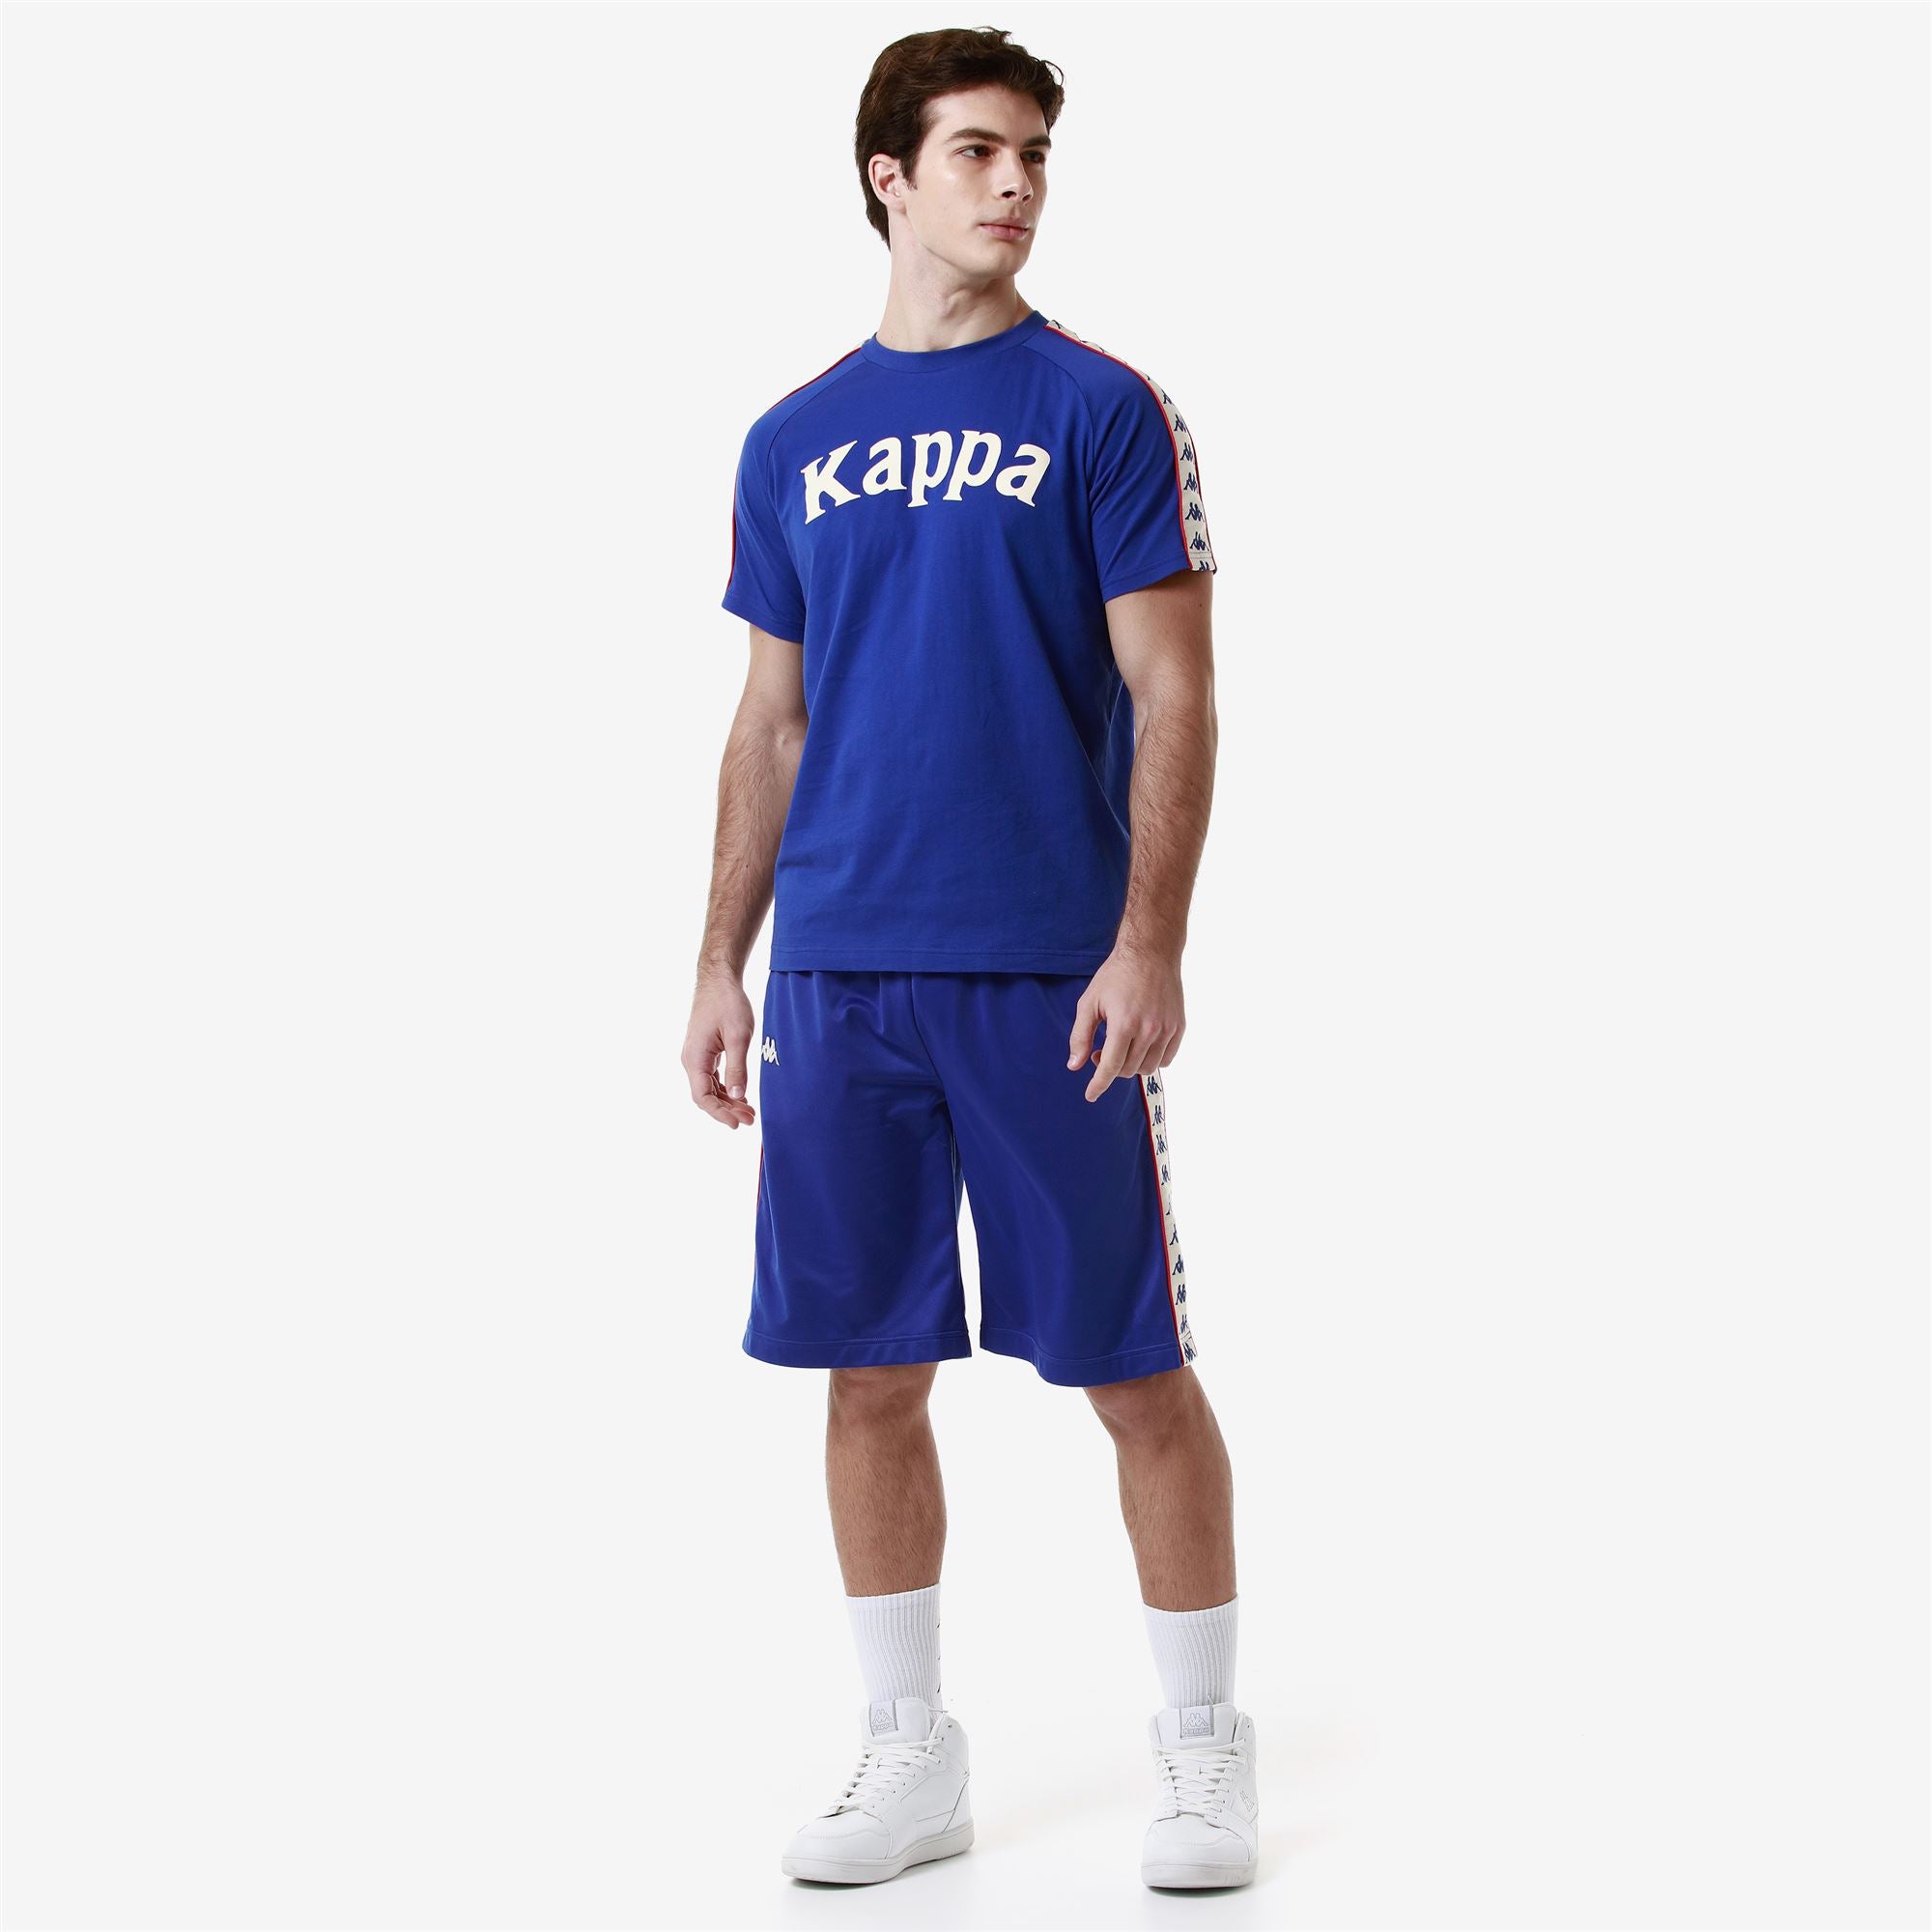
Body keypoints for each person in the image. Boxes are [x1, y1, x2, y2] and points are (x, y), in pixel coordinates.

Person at [682, 25, 1256, 1891]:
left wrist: (1150, 941)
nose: (1016, 185)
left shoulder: (1104, 409)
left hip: (1046, 974)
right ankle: (908, 1751)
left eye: (1035, 158)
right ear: (891, 179)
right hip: (842, 976)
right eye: (979, 153)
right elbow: (769, 720)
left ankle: (1201, 1750)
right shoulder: (791, 439)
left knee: (1128, 1367)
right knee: (867, 1371)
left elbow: (1175, 693)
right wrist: (721, 961)